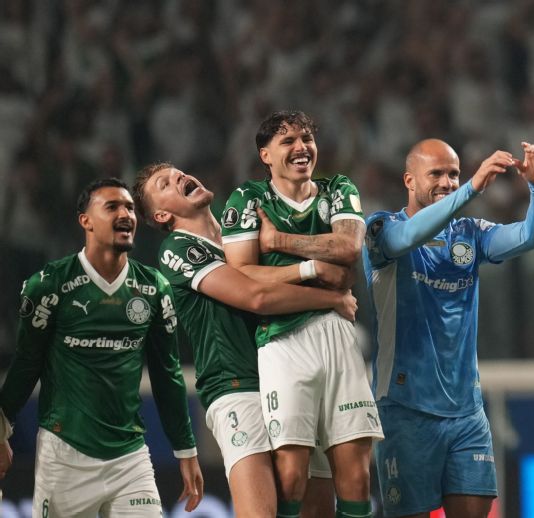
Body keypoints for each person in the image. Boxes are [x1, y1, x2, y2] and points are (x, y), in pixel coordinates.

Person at [133, 162, 361, 516]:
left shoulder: (240, 235)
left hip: (289, 372)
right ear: (162, 215)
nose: (178, 177)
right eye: (164, 183)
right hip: (236, 385)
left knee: (317, 508)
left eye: (177, 172)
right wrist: (326, 293)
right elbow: (257, 297)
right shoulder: (176, 248)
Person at [363, 139, 534, 517]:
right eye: (436, 173)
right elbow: (407, 238)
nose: (447, 182)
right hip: (404, 409)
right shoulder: (382, 228)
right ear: (409, 180)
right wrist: (472, 188)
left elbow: (533, 235)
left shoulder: (470, 233)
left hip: (467, 412)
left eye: (453, 174)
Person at [0, 178, 204, 516]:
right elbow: (26, 364)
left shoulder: (153, 287)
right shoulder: (50, 285)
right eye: (112, 207)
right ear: (86, 221)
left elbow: (167, 374)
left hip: (130, 456)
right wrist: (1, 428)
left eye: (130, 208)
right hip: (65, 454)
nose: (126, 214)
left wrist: (186, 450)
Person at [222, 110, 384, 518]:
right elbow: (241, 273)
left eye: (306, 138)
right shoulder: (248, 199)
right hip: (282, 339)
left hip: (339, 335)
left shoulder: (338, 188)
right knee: (292, 476)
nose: (301, 147)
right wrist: (313, 269)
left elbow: (348, 248)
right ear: (265, 155)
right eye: (288, 141)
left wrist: (278, 241)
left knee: (357, 477)